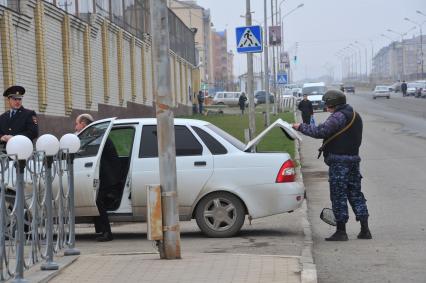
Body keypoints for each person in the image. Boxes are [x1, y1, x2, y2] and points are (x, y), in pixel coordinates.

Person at [292, 90, 371, 241]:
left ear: (333, 103)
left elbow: (321, 131)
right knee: (355, 193)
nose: (326, 107)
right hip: (353, 161)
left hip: (340, 163)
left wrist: (300, 127)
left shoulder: (339, 116)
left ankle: (341, 232)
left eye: (327, 104)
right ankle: (365, 230)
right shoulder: (354, 114)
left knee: (338, 195)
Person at [74, 113, 120, 242]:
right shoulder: (95, 134)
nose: (76, 127)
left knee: (98, 201)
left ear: (83, 124)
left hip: (107, 176)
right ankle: (101, 230)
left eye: (76, 124)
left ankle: (107, 233)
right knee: (95, 200)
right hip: (103, 174)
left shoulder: (96, 136)